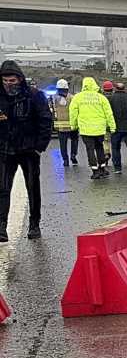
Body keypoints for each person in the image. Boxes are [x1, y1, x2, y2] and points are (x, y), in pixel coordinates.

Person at [0, 60, 54, 241]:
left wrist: (39, 147)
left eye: (12, 81)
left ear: (20, 79)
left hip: (29, 150)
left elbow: (46, 121)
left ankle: (34, 224)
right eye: (5, 80)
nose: (9, 84)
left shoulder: (34, 95)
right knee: (3, 188)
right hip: (5, 150)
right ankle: (1, 227)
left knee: (32, 188)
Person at [69, 77, 116, 179]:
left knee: (90, 149)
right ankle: (102, 168)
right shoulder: (101, 97)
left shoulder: (78, 98)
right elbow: (109, 113)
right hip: (99, 128)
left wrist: (74, 125)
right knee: (99, 147)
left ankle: (95, 171)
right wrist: (112, 127)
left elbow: (73, 113)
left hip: (86, 129)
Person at [50, 78, 79, 167]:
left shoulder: (53, 98)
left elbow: (51, 110)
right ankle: (73, 155)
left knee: (63, 144)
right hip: (72, 124)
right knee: (74, 141)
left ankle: (65, 160)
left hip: (60, 126)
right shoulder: (72, 97)